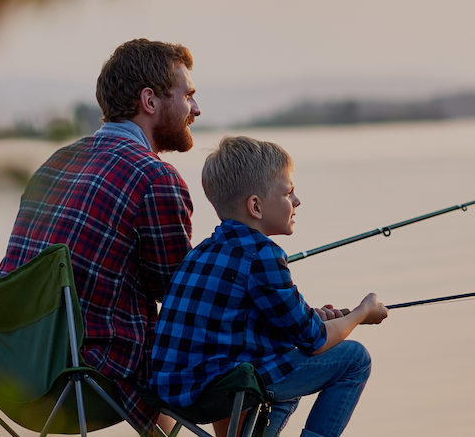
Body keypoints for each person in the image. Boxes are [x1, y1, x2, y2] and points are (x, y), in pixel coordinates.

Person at [0, 39, 201, 436]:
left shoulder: (55, 162)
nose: (196, 109)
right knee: (231, 345)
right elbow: (181, 299)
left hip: (14, 371)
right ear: (150, 100)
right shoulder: (154, 177)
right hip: (85, 378)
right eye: (188, 95)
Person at [150, 136, 389, 437]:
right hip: (223, 390)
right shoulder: (263, 254)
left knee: (286, 354)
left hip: (175, 393)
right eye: (289, 193)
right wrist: (360, 313)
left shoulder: (201, 251)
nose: (297, 201)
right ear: (256, 206)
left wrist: (315, 314)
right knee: (354, 359)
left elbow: (247, 318)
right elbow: (314, 339)